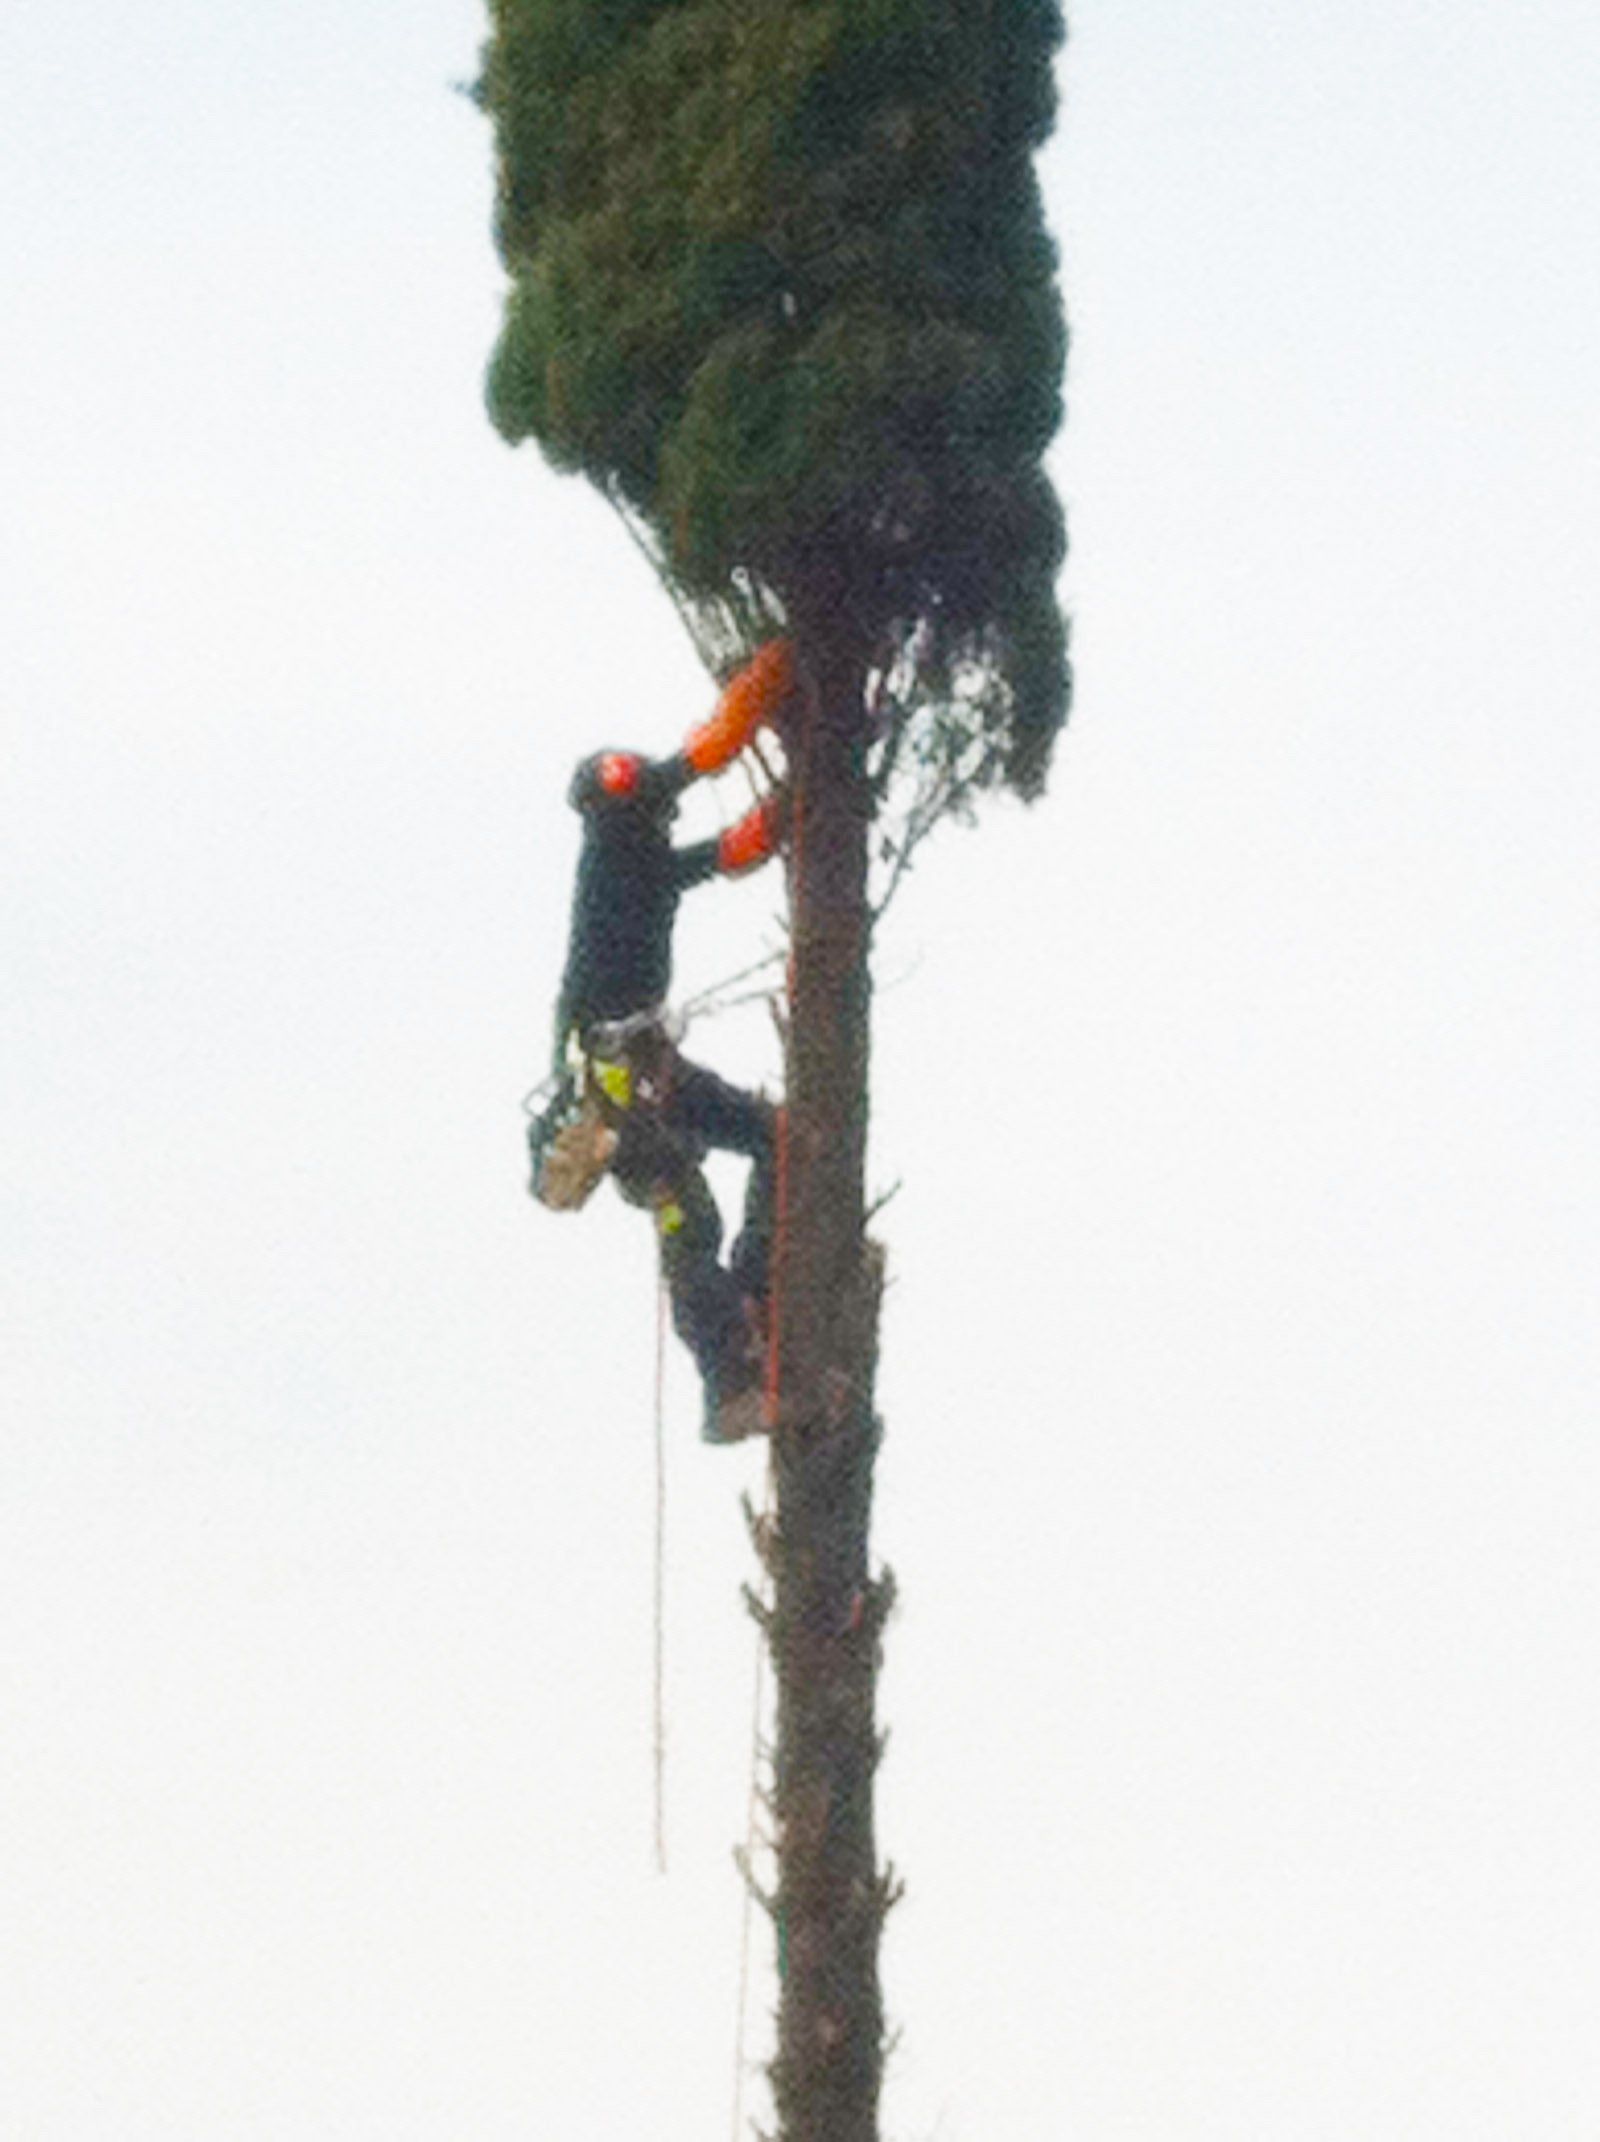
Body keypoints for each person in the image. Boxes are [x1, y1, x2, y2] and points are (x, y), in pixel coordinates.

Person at [538, 640, 795, 1442]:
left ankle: (755, 1296)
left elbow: (739, 848)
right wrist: (772, 678)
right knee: (686, 1209)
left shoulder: (642, 863)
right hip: (615, 1087)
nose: (660, 806)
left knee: (771, 1136)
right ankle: (728, 1387)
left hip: (650, 1067)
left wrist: (798, 797)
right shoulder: (619, 854)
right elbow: (707, 755)